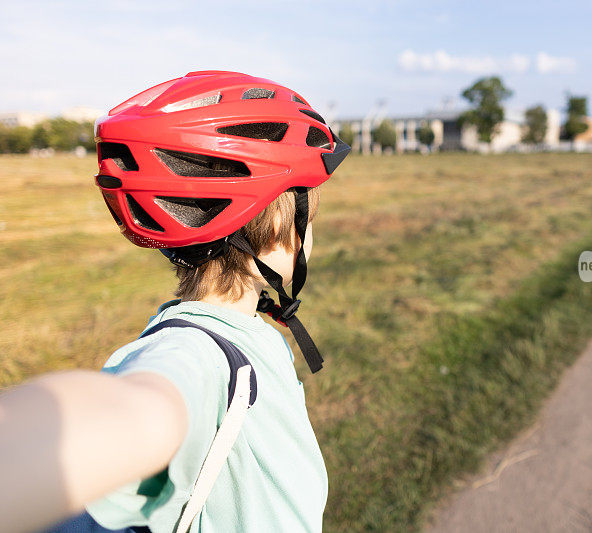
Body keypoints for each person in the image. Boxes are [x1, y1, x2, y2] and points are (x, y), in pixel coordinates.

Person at [0, 71, 350, 533]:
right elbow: (134, 410)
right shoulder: (197, 357)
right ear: (280, 234)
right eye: (310, 213)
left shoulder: (252, 337)